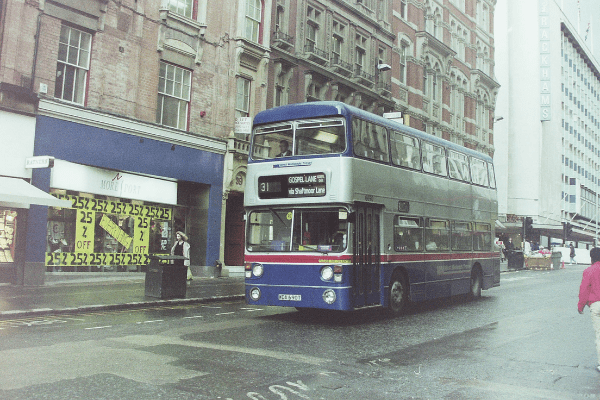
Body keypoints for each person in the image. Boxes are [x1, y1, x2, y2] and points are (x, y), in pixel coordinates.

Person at [577, 247, 600, 373]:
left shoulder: (589, 271)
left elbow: (584, 289)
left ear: (591, 258)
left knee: (599, 335)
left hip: (596, 305)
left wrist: (581, 306)